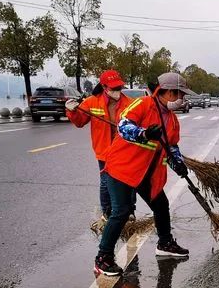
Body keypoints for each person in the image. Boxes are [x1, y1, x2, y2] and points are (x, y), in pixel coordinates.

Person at [92, 72, 190, 276]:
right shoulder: (144, 105)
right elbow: (123, 125)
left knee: (161, 204)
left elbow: (171, 146)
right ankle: (103, 258)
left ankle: (165, 243)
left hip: (147, 172)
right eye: (180, 94)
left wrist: (178, 163)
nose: (182, 99)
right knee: (121, 211)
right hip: (122, 168)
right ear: (168, 92)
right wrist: (143, 133)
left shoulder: (172, 120)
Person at [65, 70, 136, 221]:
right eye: (114, 88)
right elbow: (80, 122)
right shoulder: (92, 102)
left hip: (125, 150)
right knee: (105, 183)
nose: (117, 91)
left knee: (128, 181)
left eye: (119, 88)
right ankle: (107, 211)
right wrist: (72, 112)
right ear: (104, 87)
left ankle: (130, 210)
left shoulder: (129, 103)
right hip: (104, 150)